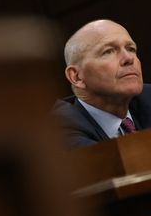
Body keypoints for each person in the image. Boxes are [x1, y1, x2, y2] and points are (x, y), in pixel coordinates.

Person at [53, 19, 151, 148]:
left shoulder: (148, 97)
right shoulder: (59, 131)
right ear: (77, 77)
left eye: (131, 49)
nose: (129, 58)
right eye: (108, 51)